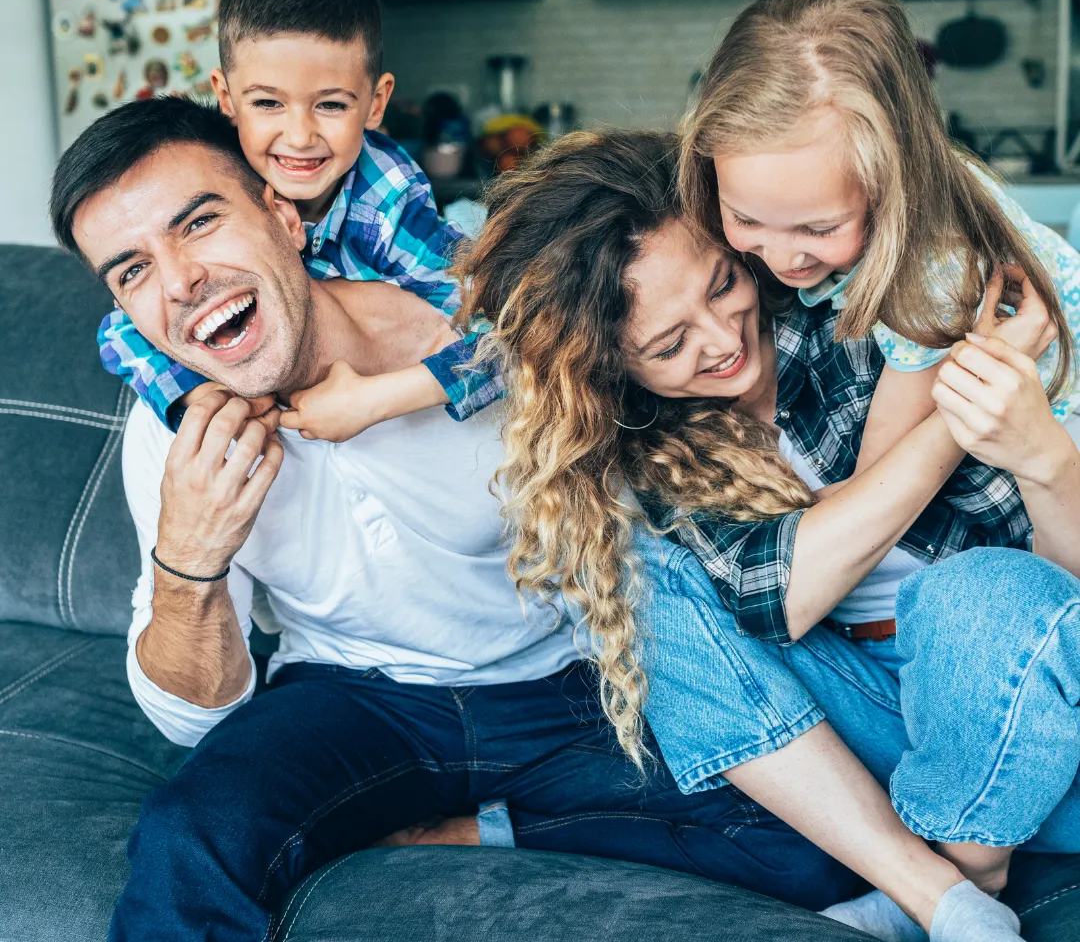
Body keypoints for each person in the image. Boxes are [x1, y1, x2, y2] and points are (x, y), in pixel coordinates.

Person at [52, 98, 857, 942]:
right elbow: (194, 719)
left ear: (284, 216)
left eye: (199, 223)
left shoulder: (471, 333)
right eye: (132, 271)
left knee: (816, 842)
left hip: (568, 684)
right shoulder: (173, 425)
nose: (179, 281)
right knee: (189, 837)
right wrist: (192, 558)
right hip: (355, 698)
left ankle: (481, 828)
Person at [456, 128, 1080, 941]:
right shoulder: (657, 446)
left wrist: (960, 387)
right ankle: (942, 897)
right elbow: (781, 596)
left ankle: (945, 879)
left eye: (721, 285)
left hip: (1032, 716)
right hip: (885, 730)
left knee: (982, 593)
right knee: (634, 572)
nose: (720, 341)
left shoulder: (856, 312)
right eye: (668, 345)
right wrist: (955, 418)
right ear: (609, 369)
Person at [679, 0, 1080, 495]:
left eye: (819, 228)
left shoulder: (936, 267)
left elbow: (876, 481)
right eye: (747, 220)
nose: (780, 256)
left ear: (893, 184)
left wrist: (785, 515)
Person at [98, 0, 501, 440]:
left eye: (330, 106)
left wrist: (373, 400)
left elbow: (506, 342)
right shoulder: (214, 179)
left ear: (375, 105)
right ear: (226, 98)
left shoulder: (386, 203)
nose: (299, 137)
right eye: (267, 103)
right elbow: (120, 333)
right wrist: (198, 395)